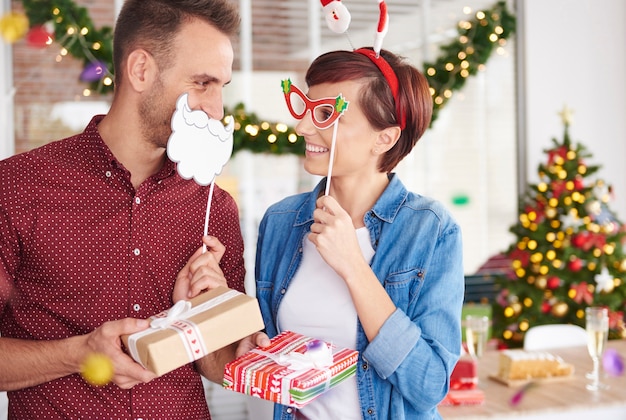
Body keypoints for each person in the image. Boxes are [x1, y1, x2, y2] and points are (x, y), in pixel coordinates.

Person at [0, 0, 267, 418]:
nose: (216, 110)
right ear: (141, 69)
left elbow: (217, 365)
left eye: (222, 87)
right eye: (201, 83)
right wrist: (79, 353)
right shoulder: (17, 187)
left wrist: (210, 312)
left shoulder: (214, 206)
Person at [255, 47, 465, 419]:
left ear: (383, 139)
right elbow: (267, 353)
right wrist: (211, 300)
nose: (304, 127)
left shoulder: (431, 230)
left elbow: (430, 385)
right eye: (305, 109)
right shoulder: (280, 221)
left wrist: (353, 266)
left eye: (326, 114)